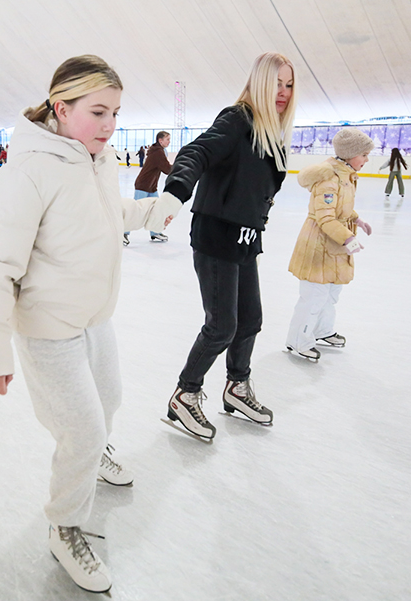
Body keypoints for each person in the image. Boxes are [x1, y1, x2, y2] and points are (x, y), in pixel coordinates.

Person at [0, 55, 177, 594]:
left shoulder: (97, 160)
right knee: (81, 430)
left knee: (109, 399)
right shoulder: (31, 169)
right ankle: (65, 526)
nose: (110, 125)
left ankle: (96, 452)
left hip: (93, 315)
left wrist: (149, 212)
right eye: (98, 111)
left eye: (117, 113)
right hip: (47, 326)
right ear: (61, 107)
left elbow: (105, 219)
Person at [158, 51, 295, 440]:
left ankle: (237, 387)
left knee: (249, 320)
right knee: (221, 326)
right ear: (259, 82)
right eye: (277, 83)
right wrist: (175, 193)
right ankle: (185, 394)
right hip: (217, 233)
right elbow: (196, 152)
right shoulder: (238, 119)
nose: (283, 92)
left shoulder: (272, 131)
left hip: (245, 237)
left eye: (289, 85)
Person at [286, 128, 373, 361]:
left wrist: (356, 219)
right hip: (319, 244)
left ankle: (322, 330)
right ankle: (298, 341)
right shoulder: (328, 179)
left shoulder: (345, 175)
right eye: (363, 154)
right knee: (314, 295)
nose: (366, 160)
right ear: (350, 154)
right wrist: (348, 237)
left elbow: (341, 208)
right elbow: (325, 217)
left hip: (334, 243)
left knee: (331, 293)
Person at [124, 131, 173, 245]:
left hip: (151, 186)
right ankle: (123, 233)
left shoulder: (158, 150)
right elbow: (167, 169)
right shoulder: (158, 152)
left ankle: (155, 232)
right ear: (160, 141)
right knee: (136, 211)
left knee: (157, 209)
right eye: (167, 139)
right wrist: (181, 165)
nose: (169, 142)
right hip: (143, 185)